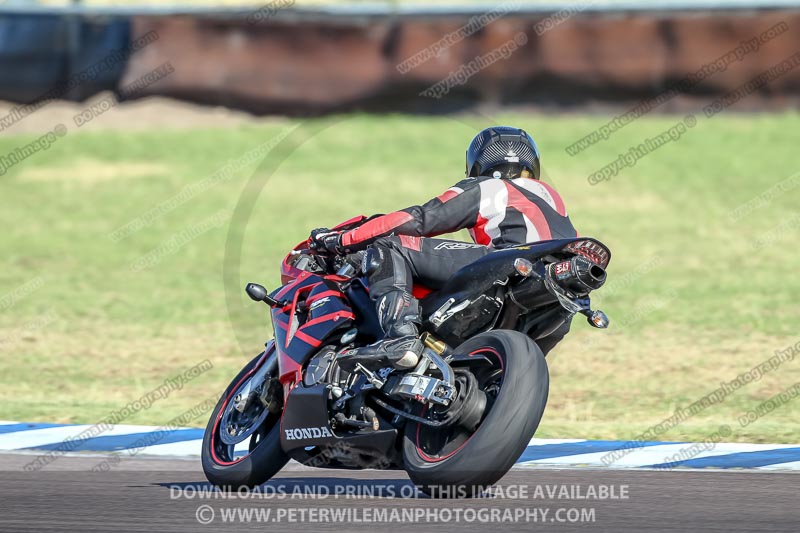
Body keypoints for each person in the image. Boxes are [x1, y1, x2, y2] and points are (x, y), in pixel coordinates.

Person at [309, 126, 577, 371]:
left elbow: (419, 220)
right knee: (507, 374)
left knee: (391, 246)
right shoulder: (552, 197)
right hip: (560, 293)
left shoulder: (490, 187)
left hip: (509, 262)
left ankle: (401, 338)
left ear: (477, 163)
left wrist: (341, 240)